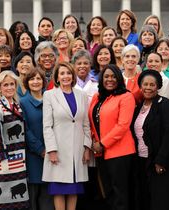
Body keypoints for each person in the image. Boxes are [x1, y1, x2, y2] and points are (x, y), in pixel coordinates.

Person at [42, 62, 91, 210]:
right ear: (57, 77)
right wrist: (51, 150)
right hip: (59, 150)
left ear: (73, 76)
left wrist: (87, 147)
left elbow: (86, 124)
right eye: (62, 73)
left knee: (73, 189)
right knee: (59, 188)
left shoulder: (81, 95)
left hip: (78, 151)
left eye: (68, 73)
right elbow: (47, 126)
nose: (65, 76)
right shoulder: (49, 95)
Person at [88, 64, 136, 210]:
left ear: (119, 78)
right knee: (106, 192)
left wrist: (102, 143)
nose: (110, 79)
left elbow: (123, 126)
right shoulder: (97, 97)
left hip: (120, 152)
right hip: (101, 152)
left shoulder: (126, 96)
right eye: (106, 76)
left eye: (113, 76)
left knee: (119, 193)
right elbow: (92, 121)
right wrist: (94, 140)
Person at [131, 69, 169, 210]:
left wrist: (160, 160)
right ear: (140, 86)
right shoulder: (138, 107)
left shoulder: (165, 104)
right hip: (142, 159)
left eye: (152, 85)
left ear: (158, 87)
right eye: (145, 84)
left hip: (159, 161)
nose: (148, 88)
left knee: (160, 199)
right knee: (145, 197)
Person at [0, 71, 30, 210]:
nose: (10, 87)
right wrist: (1, 156)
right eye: (6, 85)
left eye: (12, 84)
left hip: (19, 159)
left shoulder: (17, 105)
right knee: (2, 200)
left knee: (18, 200)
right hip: (3, 161)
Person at [20, 68, 54, 210]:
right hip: (33, 154)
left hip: (52, 152)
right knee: (33, 194)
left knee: (49, 195)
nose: (35, 82)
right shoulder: (23, 102)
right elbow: (24, 129)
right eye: (32, 79)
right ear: (27, 83)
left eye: (38, 78)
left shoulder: (50, 98)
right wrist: (40, 149)